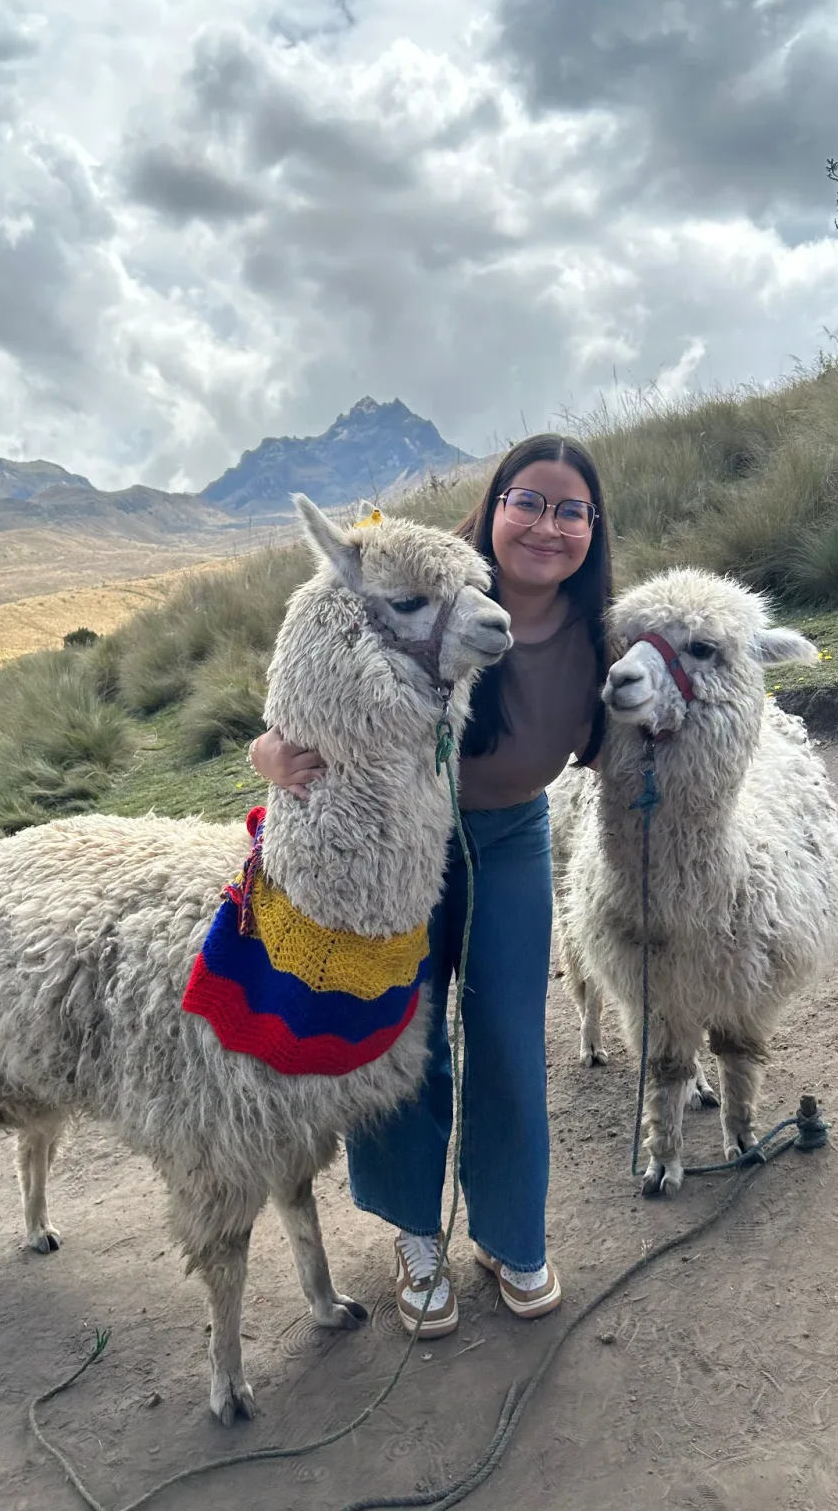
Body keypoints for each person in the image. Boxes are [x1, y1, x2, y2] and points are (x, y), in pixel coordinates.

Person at [248, 434, 613, 1337]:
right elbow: (313, 680)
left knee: (506, 1035)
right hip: (398, 847)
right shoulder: (409, 592)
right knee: (401, 1034)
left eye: (570, 510)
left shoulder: (598, 633)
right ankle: (417, 1233)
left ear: (591, 529)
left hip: (514, 841)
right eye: (528, 501)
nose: (547, 525)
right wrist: (267, 750)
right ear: (494, 507)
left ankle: (509, 1233)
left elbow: (635, 738)